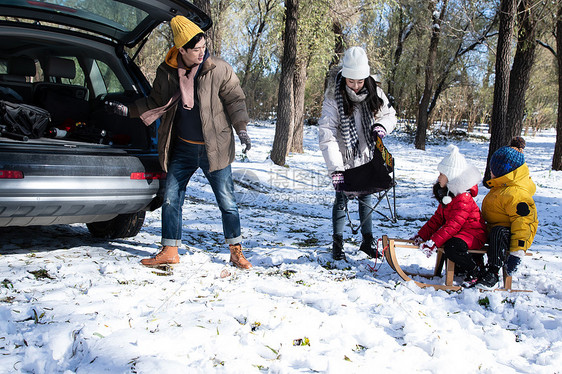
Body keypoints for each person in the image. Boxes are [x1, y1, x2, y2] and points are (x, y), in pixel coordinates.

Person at [105, 15, 252, 269]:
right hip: (182, 148)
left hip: (214, 149)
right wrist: (127, 111)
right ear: (180, 50)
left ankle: (236, 251)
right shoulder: (167, 72)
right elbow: (154, 103)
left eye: (204, 47)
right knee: (172, 199)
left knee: (227, 202)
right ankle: (170, 250)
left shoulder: (218, 69)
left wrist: (241, 129)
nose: (202, 53)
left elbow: (235, 100)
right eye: (196, 49)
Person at [318, 46, 397, 261]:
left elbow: (390, 114)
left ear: (366, 77)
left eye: (359, 81)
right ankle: (338, 242)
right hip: (344, 158)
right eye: (350, 81)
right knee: (341, 199)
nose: (354, 86)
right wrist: (336, 169)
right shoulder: (334, 97)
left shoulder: (375, 92)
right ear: (344, 77)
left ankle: (367, 241)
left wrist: (381, 125)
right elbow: (326, 134)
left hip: (367, 155)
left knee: (367, 198)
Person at [410, 145, 487, 285]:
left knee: (452, 247)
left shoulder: (463, 198)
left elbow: (453, 225)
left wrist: (434, 242)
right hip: (462, 233)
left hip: (474, 233)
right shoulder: (448, 196)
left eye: (441, 174)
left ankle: (475, 270)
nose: (438, 177)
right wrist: (422, 235)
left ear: (451, 177)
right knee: (449, 242)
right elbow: (437, 219)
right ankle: (459, 269)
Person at [471, 137, 538, 289]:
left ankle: (493, 273)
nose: (490, 172)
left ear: (503, 171)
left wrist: (517, 252)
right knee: (473, 228)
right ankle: (473, 266)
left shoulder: (516, 194)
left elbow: (524, 224)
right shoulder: (502, 187)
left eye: (493, 169)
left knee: (498, 232)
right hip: (496, 231)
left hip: (512, 236)